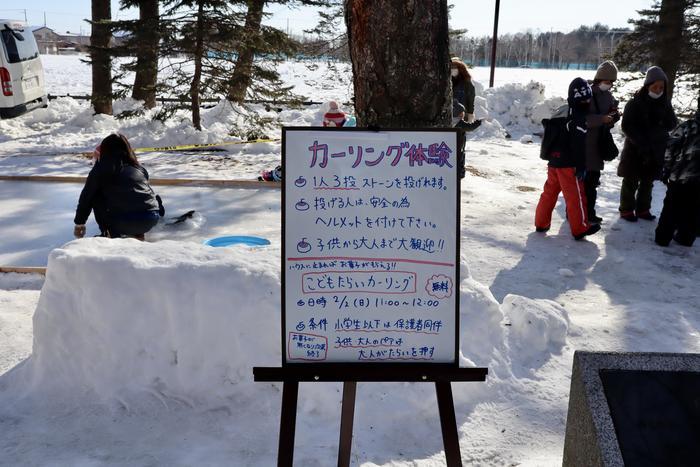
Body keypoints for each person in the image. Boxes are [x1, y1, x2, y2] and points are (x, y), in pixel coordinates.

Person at [535, 78, 601, 241]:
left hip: (554, 161)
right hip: (568, 164)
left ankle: (541, 223)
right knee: (576, 197)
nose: (587, 101)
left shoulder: (562, 110)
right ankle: (580, 228)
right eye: (586, 98)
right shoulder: (578, 117)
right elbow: (578, 145)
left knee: (549, 193)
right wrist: (581, 166)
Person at [617, 66, 678, 221]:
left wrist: (663, 122)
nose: (658, 90)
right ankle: (626, 209)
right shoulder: (634, 103)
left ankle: (643, 209)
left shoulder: (665, 103)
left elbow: (672, 123)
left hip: (655, 149)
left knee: (648, 181)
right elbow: (627, 126)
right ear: (647, 85)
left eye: (661, 88)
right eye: (655, 87)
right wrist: (640, 141)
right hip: (635, 149)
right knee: (630, 181)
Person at [73, 133, 162, 240]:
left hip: (122, 223)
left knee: (95, 195)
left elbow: (86, 198)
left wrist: (79, 224)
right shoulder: (139, 168)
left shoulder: (100, 170)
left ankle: (109, 233)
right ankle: (138, 233)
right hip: (150, 218)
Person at [655, 99, 700, 247]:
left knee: (672, 207)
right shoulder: (686, 127)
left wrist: (666, 169)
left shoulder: (687, 127)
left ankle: (663, 237)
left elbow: (670, 149)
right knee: (693, 209)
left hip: (679, 176)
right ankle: (686, 237)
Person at [584, 60, 621, 223]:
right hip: (585, 146)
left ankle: (588, 212)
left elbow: (608, 119)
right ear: (599, 79)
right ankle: (578, 213)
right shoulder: (586, 94)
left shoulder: (608, 96)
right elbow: (581, 119)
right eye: (607, 81)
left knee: (592, 183)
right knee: (584, 184)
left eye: (612, 82)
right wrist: (602, 119)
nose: (610, 85)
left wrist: (613, 117)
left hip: (598, 145)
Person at [451, 57, 476, 124]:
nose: (453, 70)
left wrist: (470, 114)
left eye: (455, 68)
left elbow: (470, 99)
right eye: (451, 68)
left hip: (462, 115)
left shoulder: (466, 82)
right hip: (449, 115)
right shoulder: (447, 82)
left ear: (460, 69)